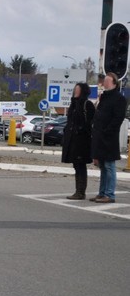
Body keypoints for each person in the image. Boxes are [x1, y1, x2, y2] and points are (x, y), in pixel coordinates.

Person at [90, 72, 128, 203]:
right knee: (102, 167)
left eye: (107, 81)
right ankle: (102, 193)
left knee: (109, 166)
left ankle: (110, 194)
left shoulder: (119, 98)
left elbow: (118, 118)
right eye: (104, 80)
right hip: (99, 136)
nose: (104, 83)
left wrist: (107, 131)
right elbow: (98, 115)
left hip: (109, 137)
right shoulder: (104, 97)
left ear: (113, 82)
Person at [61, 83, 95, 200]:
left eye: (78, 90)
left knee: (81, 165)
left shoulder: (87, 104)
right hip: (72, 140)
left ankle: (81, 192)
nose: (75, 92)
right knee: (76, 165)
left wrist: (79, 130)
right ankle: (78, 191)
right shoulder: (73, 105)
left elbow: (89, 123)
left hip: (81, 141)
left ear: (83, 91)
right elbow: (70, 122)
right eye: (75, 89)